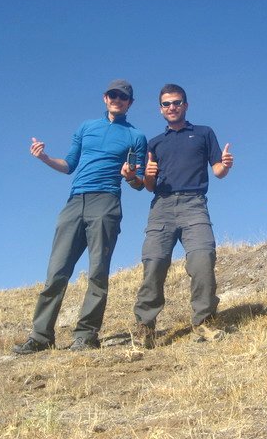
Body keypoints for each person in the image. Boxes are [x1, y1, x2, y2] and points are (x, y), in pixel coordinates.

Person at [13, 79, 147, 354]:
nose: (117, 100)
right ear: (104, 98)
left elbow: (140, 181)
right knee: (56, 271)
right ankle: (40, 336)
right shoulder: (86, 127)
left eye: (123, 97)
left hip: (106, 201)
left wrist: (131, 176)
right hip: (74, 202)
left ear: (130, 103)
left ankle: (86, 335)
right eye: (113, 95)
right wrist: (45, 158)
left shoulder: (136, 136)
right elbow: (69, 165)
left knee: (98, 272)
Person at [133, 83, 234, 347]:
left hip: (194, 204)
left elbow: (218, 171)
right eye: (166, 104)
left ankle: (203, 324)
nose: (172, 107)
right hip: (162, 207)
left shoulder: (203, 133)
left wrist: (225, 166)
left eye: (177, 102)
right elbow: (149, 186)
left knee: (203, 259)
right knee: (153, 264)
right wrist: (148, 177)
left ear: (185, 105)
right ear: (160, 109)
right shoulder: (154, 143)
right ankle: (145, 327)